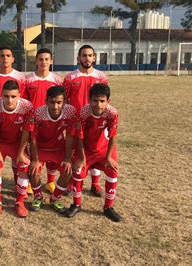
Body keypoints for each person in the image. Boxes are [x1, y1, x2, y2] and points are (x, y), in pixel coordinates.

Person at [63, 83, 122, 222]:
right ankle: (76, 204)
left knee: (113, 171)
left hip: (103, 150)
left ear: (108, 101)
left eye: (102, 101)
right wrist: (81, 157)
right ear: (89, 100)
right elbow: (79, 137)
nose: (98, 104)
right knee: (78, 171)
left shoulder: (112, 113)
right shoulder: (84, 113)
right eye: (95, 100)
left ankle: (108, 207)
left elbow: (113, 136)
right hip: (86, 150)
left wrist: (108, 157)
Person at [63, 44, 109, 197]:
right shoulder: (70, 77)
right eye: (84, 55)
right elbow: (65, 101)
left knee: (95, 149)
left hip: (95, 120)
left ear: (94, 57)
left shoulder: (101, 77)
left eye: (90, 55)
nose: (87, 58)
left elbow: (105, 99)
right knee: (77, 152)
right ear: (78, 58)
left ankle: (95, 184)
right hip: (76, 122)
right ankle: (73, 184)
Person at [0, 80, 34, 218]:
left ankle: (19, 202)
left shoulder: (27, 106)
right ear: (1, 95)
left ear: (19, 95)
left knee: (23, 167)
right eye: (6, 96)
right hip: (0, 142)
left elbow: (26, 131)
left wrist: (21, 153)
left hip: (19, 143)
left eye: (13, 96)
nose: (9, 100)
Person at [28, 86, 76, 212]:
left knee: (68, 170)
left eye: (59, 102)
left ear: (65, 102)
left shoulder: (71, 112)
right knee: (33, 169)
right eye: (52, 102)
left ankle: (55, 198)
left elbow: (70, 135)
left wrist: (67, 158)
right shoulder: (38, 113)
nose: (55, 106)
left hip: (58, 147)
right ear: (46, 101)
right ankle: (38, 196)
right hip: (41, 148)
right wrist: (35, 159)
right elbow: (32, 138)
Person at [24, 47, 63, 194]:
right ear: (36, 62)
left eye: (47, 59)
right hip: (34, 122)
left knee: (52, 150)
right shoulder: (28, 79)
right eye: (41, 59)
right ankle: (30, 182)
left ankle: (51, 182)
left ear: (51, 61)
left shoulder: (57, 80)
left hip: (52, 121)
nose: (44, 62)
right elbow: (24, 100)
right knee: (32, 152)